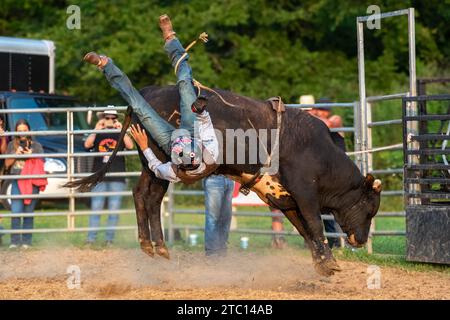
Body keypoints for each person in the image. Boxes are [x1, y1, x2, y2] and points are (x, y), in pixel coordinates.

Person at [83, 14, 219, 183]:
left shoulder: (173, 172)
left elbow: (155, 167)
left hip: (168, 142)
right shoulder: (211, 153)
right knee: (185, 83)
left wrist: (144, 146)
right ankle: (170, 38)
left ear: (177, 163)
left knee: (138, 105)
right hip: (194, 133)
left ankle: (106, 65)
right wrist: (201, 112)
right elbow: (207, 128)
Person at [85, 107, 134, 245]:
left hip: (117, 178)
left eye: (113, 118)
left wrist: (122, 129)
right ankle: (91, 239)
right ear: (102, 119)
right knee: (96, 208)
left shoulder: (120, 133)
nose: (110, 121)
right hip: (99, 177)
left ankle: (109, 240)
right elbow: (87, 144)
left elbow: (130, 146)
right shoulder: (98, 133)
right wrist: (96, 129)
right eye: (107, 118)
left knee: (114, 210)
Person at [307, 96, 345, 248]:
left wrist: (309, 115)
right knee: (322, 207)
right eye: (321, 109)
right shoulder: (313, 124)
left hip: (339, 171)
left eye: (325, 109)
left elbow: (329, 123)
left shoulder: (335, 119)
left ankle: (343, 240)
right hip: (324, 171)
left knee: (338, 206)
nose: (323, 112)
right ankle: (332, 241)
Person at [5, 119, 46, 249]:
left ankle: (27, 242)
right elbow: (6, 164)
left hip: (32, 181)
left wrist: (31, 154)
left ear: (29, 130)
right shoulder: (12, 145)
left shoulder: (36, 145)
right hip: (17, 181)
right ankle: (15, 241)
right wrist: (16, 154)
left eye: (24, 130)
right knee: (16, 212)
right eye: (20, 131)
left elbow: (42, 163)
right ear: (16, 131)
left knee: (28, 212)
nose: (22, 133)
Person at [202, 175, 234, 257]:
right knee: (213, 217)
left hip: (229, 178)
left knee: (226, 218)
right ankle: (212, 252)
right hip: (213, 178)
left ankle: (222, 250)